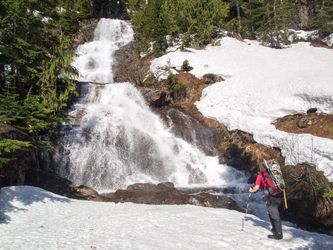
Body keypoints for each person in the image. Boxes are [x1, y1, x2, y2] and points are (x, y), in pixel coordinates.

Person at [249, 161, 284, 240]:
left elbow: (256, 188)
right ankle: (274, 228)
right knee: (272, 212)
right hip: (280, 195)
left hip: (270, 196)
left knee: (274, 213)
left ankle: (278, 234)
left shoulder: (261, 176)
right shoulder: (276, 174)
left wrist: (251, 190)